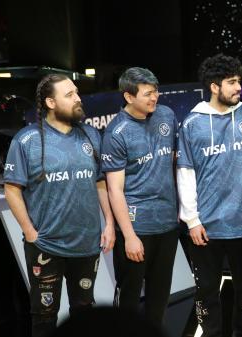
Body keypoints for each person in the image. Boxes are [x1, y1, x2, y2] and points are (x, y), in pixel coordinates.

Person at [4, 74, 115, 337]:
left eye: (77, 93)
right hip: (46, 245)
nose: (78, 98)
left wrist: (109, 223)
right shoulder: (26, 140)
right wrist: (30, 232)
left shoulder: (90, 135)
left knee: (84, 314)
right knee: (44, 318)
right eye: (69, 95)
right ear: (51, 102)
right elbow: (11, 190)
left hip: (87, 245)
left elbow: (100, 182)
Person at [176, 54, 242, 337]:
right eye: (231, 82)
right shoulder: (193, 123)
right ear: (214, 86)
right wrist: (193, 220)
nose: (238, 88)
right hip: (207, 227)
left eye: (239, 81)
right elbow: (185, 175)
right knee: (207, 290)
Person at [101, 67, 178, 325]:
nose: (154, 98)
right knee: (129, 303)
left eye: (156, 92)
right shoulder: (116, 132)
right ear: (128, 96)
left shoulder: (166, 116)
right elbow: (115, 190)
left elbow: (176, 162)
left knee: (159, 299)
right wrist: (130, 236)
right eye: (147, 94)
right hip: (137, 229)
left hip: (167, 226)